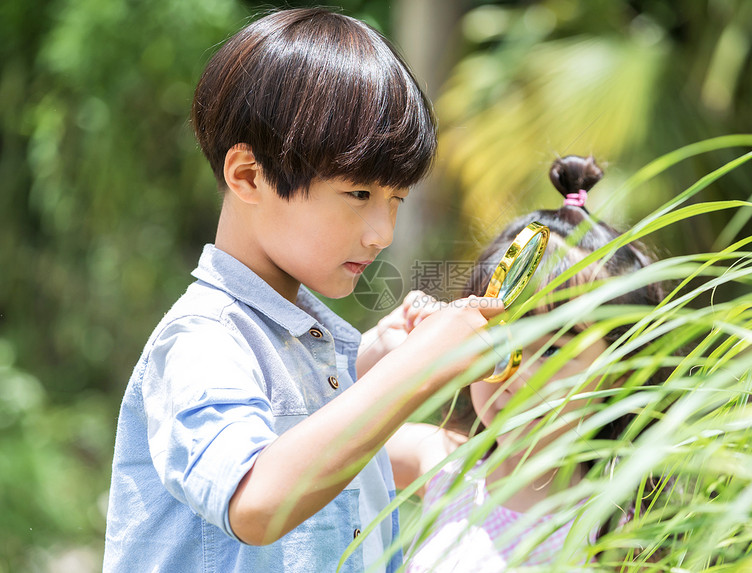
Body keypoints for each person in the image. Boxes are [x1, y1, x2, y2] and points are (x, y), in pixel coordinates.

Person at [103, 8, 503, 572]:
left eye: (397, 200)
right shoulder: (204, 340)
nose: (381, 233)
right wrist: (414, 370)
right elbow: (256, 502)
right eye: (360, 193)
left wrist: (369, 359)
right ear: (248, 176)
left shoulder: (316, 341)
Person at [385, 154, 669, 571]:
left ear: (619, 370)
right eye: (497, 338)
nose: (514, 376)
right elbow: (326, 439)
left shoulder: (618, 526)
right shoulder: (447, 464)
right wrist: (394, 354)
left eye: (554, 351)